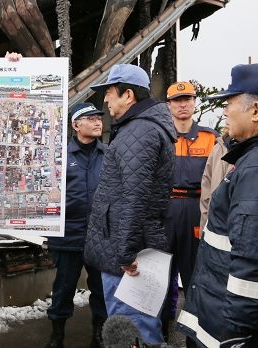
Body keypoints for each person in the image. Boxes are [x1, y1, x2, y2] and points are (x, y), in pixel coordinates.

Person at [177, 62, 258, 347]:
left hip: (241, 325)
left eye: (230, 103)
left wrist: (235, 335)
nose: (225, 111)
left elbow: (254, 263)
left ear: (256, 111)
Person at [84, 63, 177, 345]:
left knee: (131, 330)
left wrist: (125, 254)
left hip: (127, 258)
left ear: (128, 95)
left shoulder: (140, 132)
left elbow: (134, 198)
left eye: (110, 93)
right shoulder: (139, 129)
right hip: (130, 248)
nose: (106, 100)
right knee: (135, 327)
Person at [44, 102, 108, 348]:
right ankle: (56, 336)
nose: (97, 122)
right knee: (64, 289)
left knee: (101, 289)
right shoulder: (60, 155)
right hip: (67, 235)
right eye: (90, 118)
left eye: (99, 118)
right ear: (75, 125)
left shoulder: (108, 154)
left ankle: (98, 335)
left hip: (100, 235)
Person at [161, 82, 218, 343]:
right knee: (161, 275)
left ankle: (195, 337)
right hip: (166, 210)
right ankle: (160, 330)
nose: (183, 104)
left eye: (188, 99)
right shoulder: (161, 136)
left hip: (197, 209)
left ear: (195, 102)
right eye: (177, 100)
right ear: (169, 105)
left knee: (195, 276)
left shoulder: (211, 138)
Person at [199, 127, 234, 230]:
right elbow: (206, 191)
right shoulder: (218, 147)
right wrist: (203, 230)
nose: (225, 113)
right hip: (213, 230)